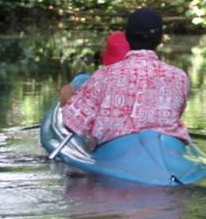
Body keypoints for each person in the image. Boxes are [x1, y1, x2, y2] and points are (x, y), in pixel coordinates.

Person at [59, 8, 191, 147]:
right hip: (166, 146)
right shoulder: (180, 77)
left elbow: (74, 123)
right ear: (161, 38)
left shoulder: (103, 76)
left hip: (115, 149)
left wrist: (66, 98)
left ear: (127, 37)